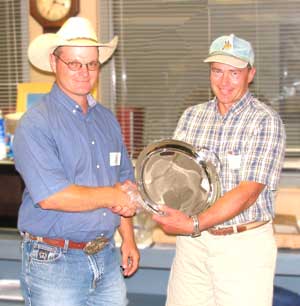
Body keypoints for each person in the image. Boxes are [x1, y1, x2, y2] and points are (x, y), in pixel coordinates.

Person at [13, 17, 140, 306]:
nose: (84, 72)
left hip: (106, 258)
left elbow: (124, 184)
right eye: (74, 63)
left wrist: (128, 238)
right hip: (54, 263)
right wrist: (113, 195)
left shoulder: (107, 120)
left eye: (91, 64)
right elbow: (52, 196)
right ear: (54, 62)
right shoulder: (36, 124)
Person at [153, 34, 286, 306]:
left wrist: (193, 223)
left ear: (250, 74)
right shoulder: (192, 116)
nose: (224, 82)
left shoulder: (265, 122)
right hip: (194, 244)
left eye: (234, 73)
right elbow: (176, 176)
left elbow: (248, 192)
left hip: (242, 245)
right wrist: (146, 192)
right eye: (217, 71)